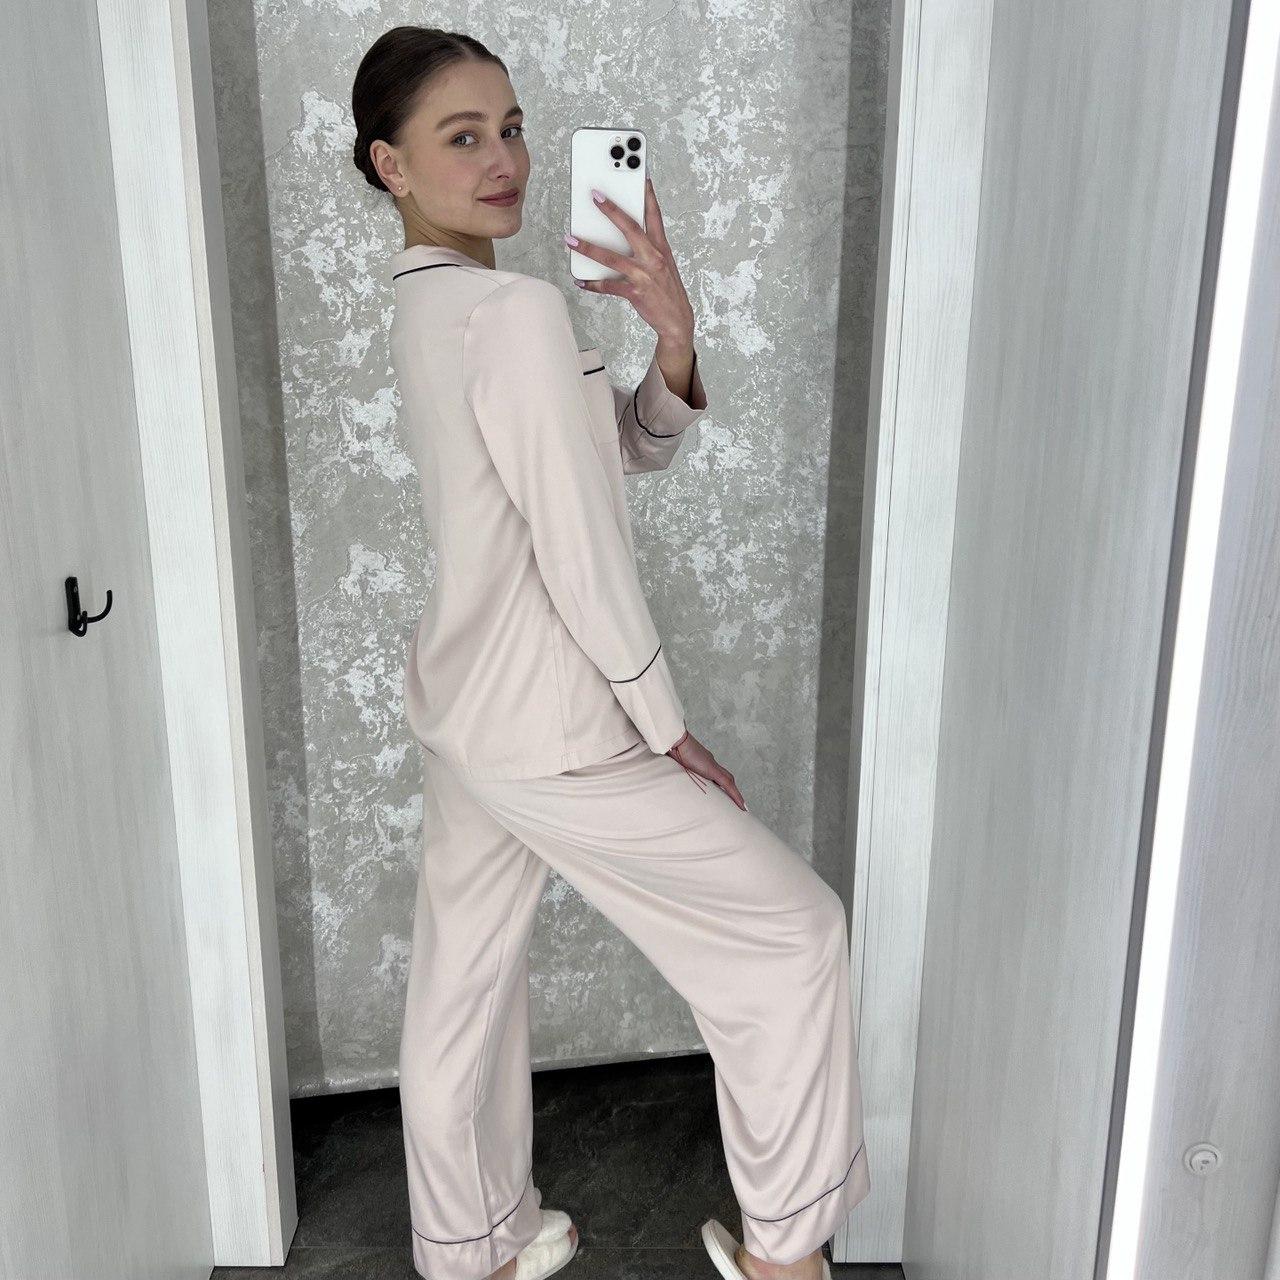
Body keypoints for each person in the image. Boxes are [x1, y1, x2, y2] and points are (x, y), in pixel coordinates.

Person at [351, 24, 870, 1280]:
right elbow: (579, 540)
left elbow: (606, 458)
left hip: (468, 701)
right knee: (792, 932)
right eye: (462, 137)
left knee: (464, 989)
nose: (504, 160)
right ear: (389, 165)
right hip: (550, 721)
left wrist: (670, 342)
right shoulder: (510, 310)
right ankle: (785, 1255)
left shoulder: (436, 305)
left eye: (512, 128)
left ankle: (474, 1244)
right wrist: (662, 723)